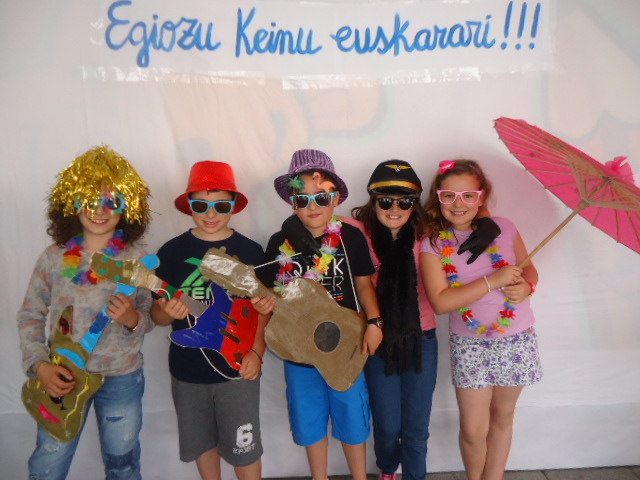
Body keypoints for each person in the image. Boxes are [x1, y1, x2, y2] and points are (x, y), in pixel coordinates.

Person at [18, 146, 153, 480]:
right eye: (90, 200)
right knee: (48, 464)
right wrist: (40, 366)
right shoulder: (53, 257)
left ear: (129, 207)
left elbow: (149, 316)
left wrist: (132, 319)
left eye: (112, 201)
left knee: (123, 464)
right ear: (71, 203)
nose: (100, 211)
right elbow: (31, 315)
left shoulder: (137, 259)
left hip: (121, 377)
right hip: (62, 375)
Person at [261, 149, 383, 480]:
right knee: (309, 419)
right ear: (292, 202)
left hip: (346, 347)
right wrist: (265, 304)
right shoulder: (279, 244)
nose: (312, 206)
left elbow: (364, 285)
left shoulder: (351, 237)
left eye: (322, 197)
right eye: (302, 199)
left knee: (352, 417)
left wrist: (375, 322)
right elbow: (271, 293)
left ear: (336, 198)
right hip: (299, 352)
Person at [150, 161, 274, 480]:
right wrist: (166, 311)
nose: (210, 213)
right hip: (188, 371)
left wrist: (257, 352)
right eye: (201, 205)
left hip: (238, 370)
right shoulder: (172, 252)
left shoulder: (251, 252)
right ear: (190, 205)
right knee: (201, 444)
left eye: (220, 205)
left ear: (233, 205)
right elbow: (157, 316)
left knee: (245, 450)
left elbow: (261, 311)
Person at [420, 159, 542, 480]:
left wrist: (527, 287)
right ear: (438, 197)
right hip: (469, 343)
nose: (458, 204)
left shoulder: (504, 227)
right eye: (449, 195)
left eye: (468, 195)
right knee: (474, 430)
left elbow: (529, 268)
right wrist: (493, 281)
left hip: (516, 337)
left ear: (481, 196)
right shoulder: (433, 243)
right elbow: (441, 302)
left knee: (502, 416)